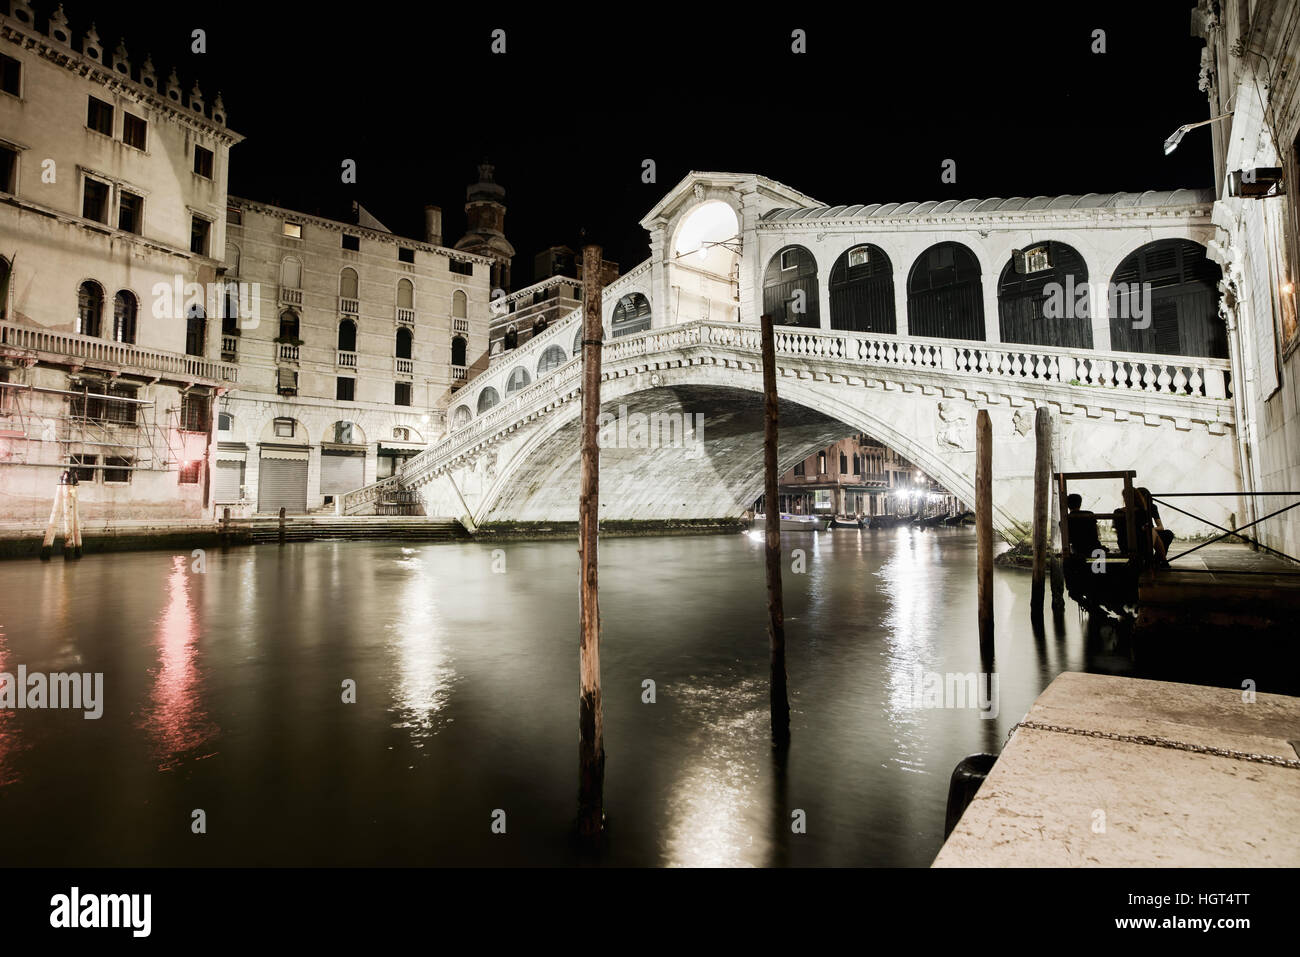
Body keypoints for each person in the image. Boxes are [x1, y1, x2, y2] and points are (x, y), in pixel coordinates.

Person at [1065, 492, 1104, 558]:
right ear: (1080, 503)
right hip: (1094, 548)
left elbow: (1069, 540)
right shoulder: (1089, 514)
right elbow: (1095, 535)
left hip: (1078, 549)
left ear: (1067, 504)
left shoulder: (1065, 519)